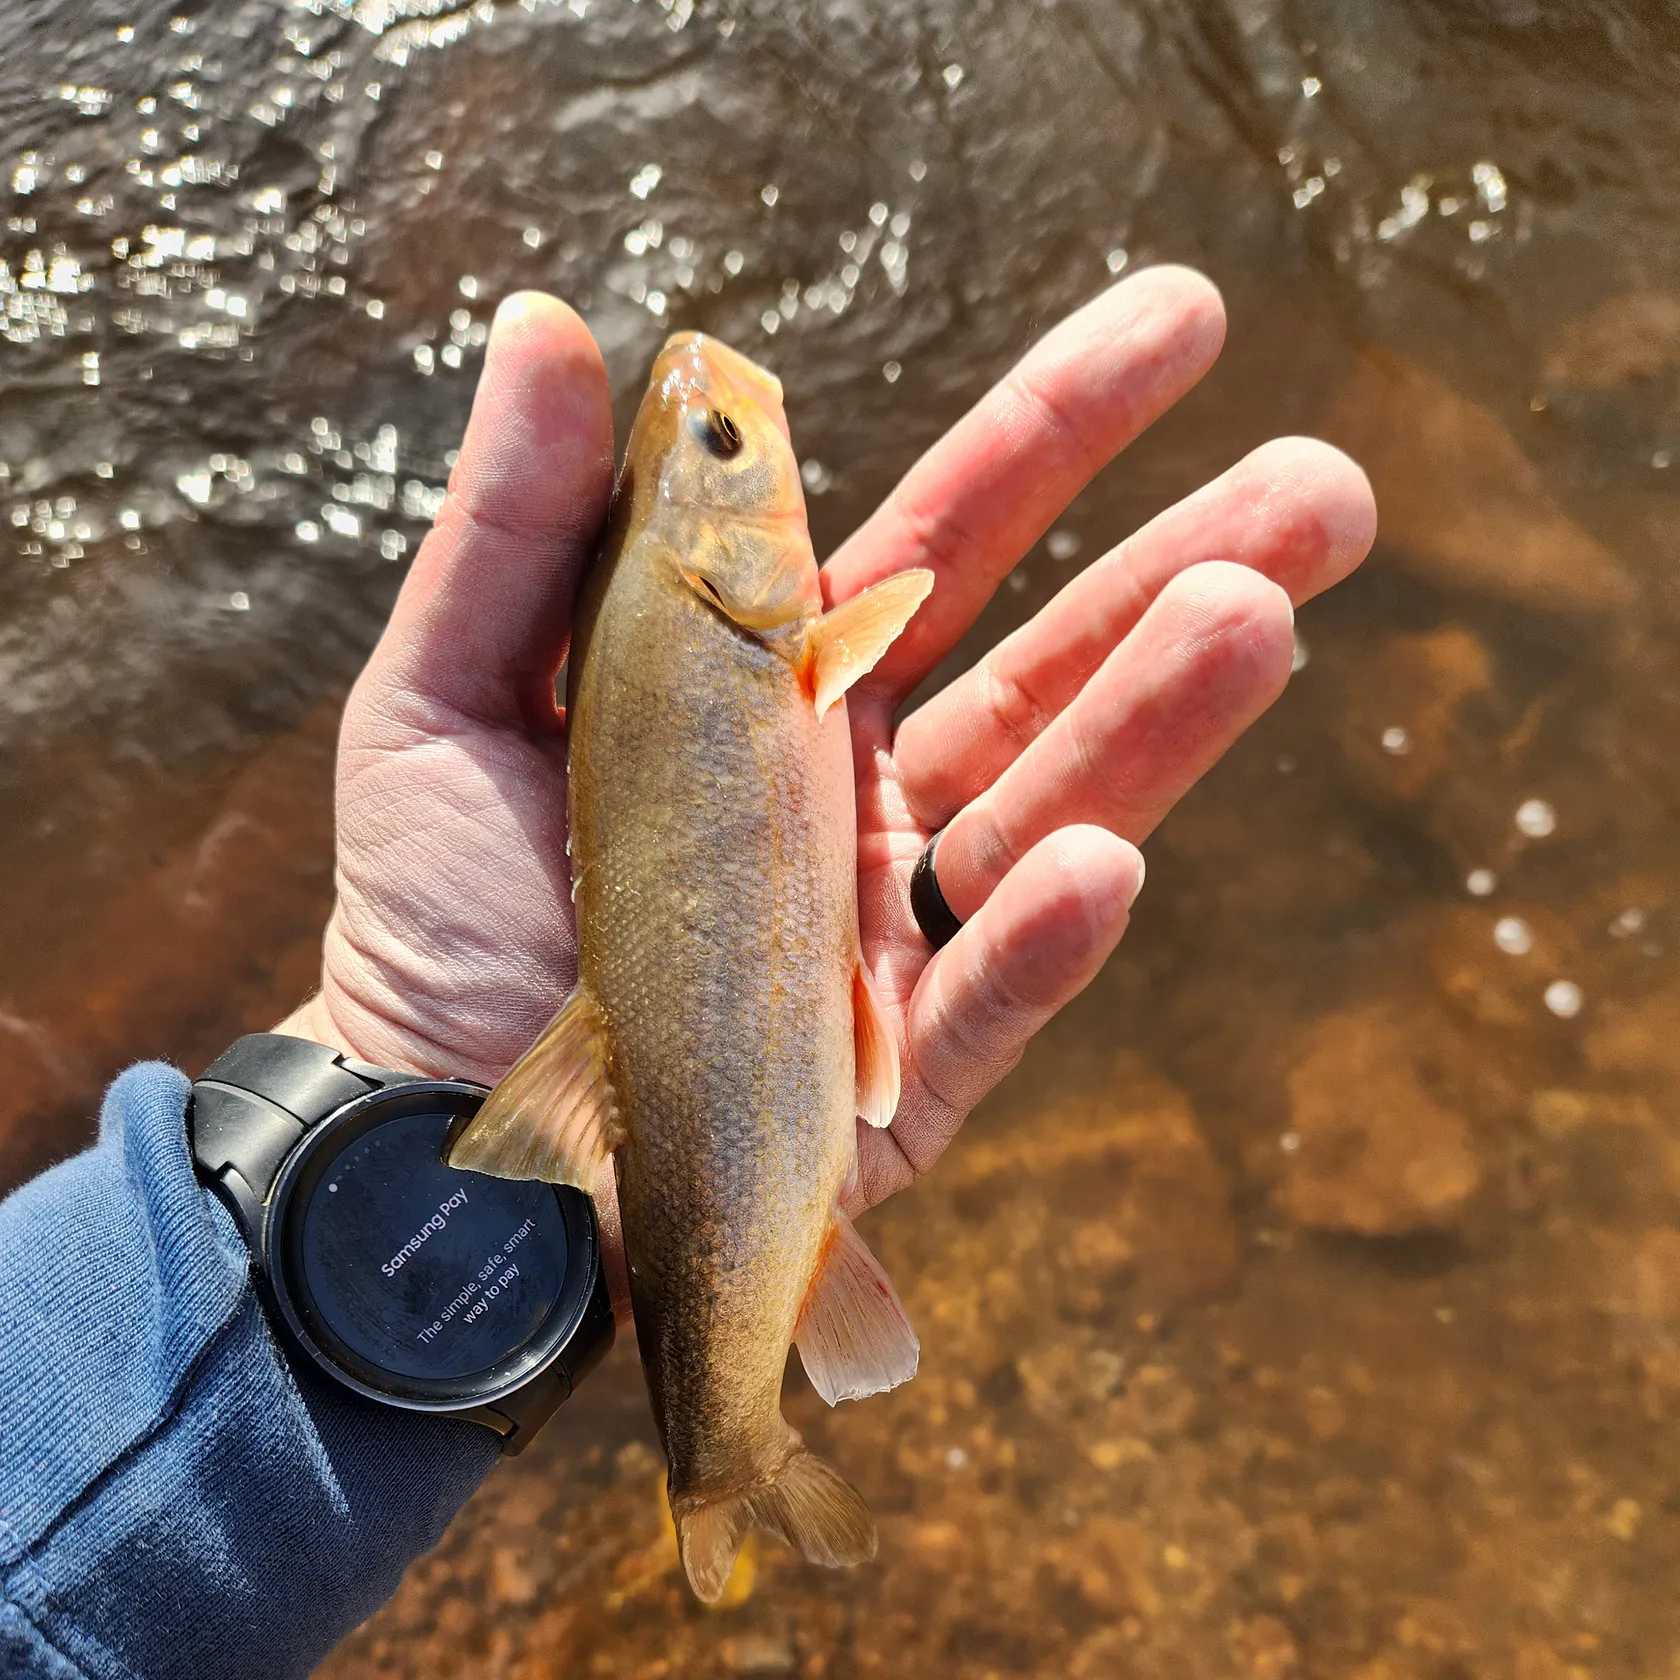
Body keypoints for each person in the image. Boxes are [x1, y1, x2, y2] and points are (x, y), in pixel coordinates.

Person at [0, 267, 1374, 1679]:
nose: (729, 417)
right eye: (718, 450)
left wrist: (402, 1105)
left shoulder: (744, 622)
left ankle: (721, 1449)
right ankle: (724, 1453)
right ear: (709, 563)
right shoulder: (789, 639)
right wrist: (417, 1051)